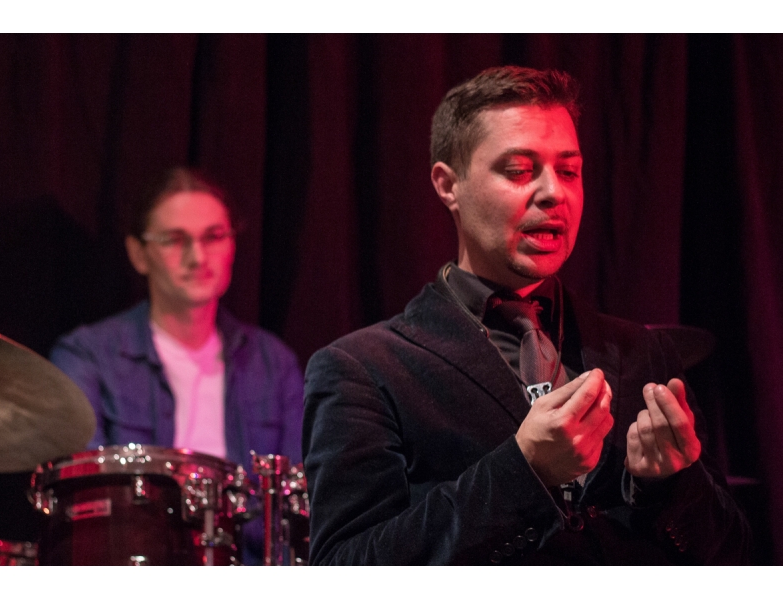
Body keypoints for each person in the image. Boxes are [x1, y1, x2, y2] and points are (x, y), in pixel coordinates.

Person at [302, 66, 751, 565]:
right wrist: (523, 470)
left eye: (569, 171)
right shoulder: (362, 369)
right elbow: (344, 568)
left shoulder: (643, 352)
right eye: (518, 170)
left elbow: (734, 558)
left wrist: (670, 486)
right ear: (448, 185)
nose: (553, 193)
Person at [50, 167, 304, 565]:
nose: (197, 257)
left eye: (213, 236)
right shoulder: (87, 356)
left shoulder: (276, 364)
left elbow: (295, 509)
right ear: (138, 253)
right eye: (174, 239)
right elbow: (91, 506)